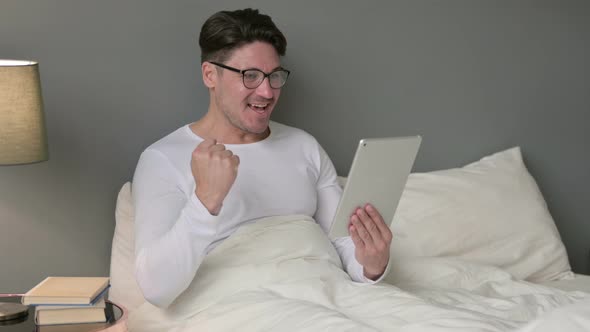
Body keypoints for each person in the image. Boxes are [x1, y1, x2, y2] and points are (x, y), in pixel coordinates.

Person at [132, 8, 393, 309]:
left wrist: (371, 263)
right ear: (210, 75)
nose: (267, 91)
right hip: (242, 308)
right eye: (251, 76)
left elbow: (344, 243)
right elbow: (156, 288)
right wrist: (206, 202)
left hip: (328, 297)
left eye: (274, 76)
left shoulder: (303, 146)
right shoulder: (163, 159)